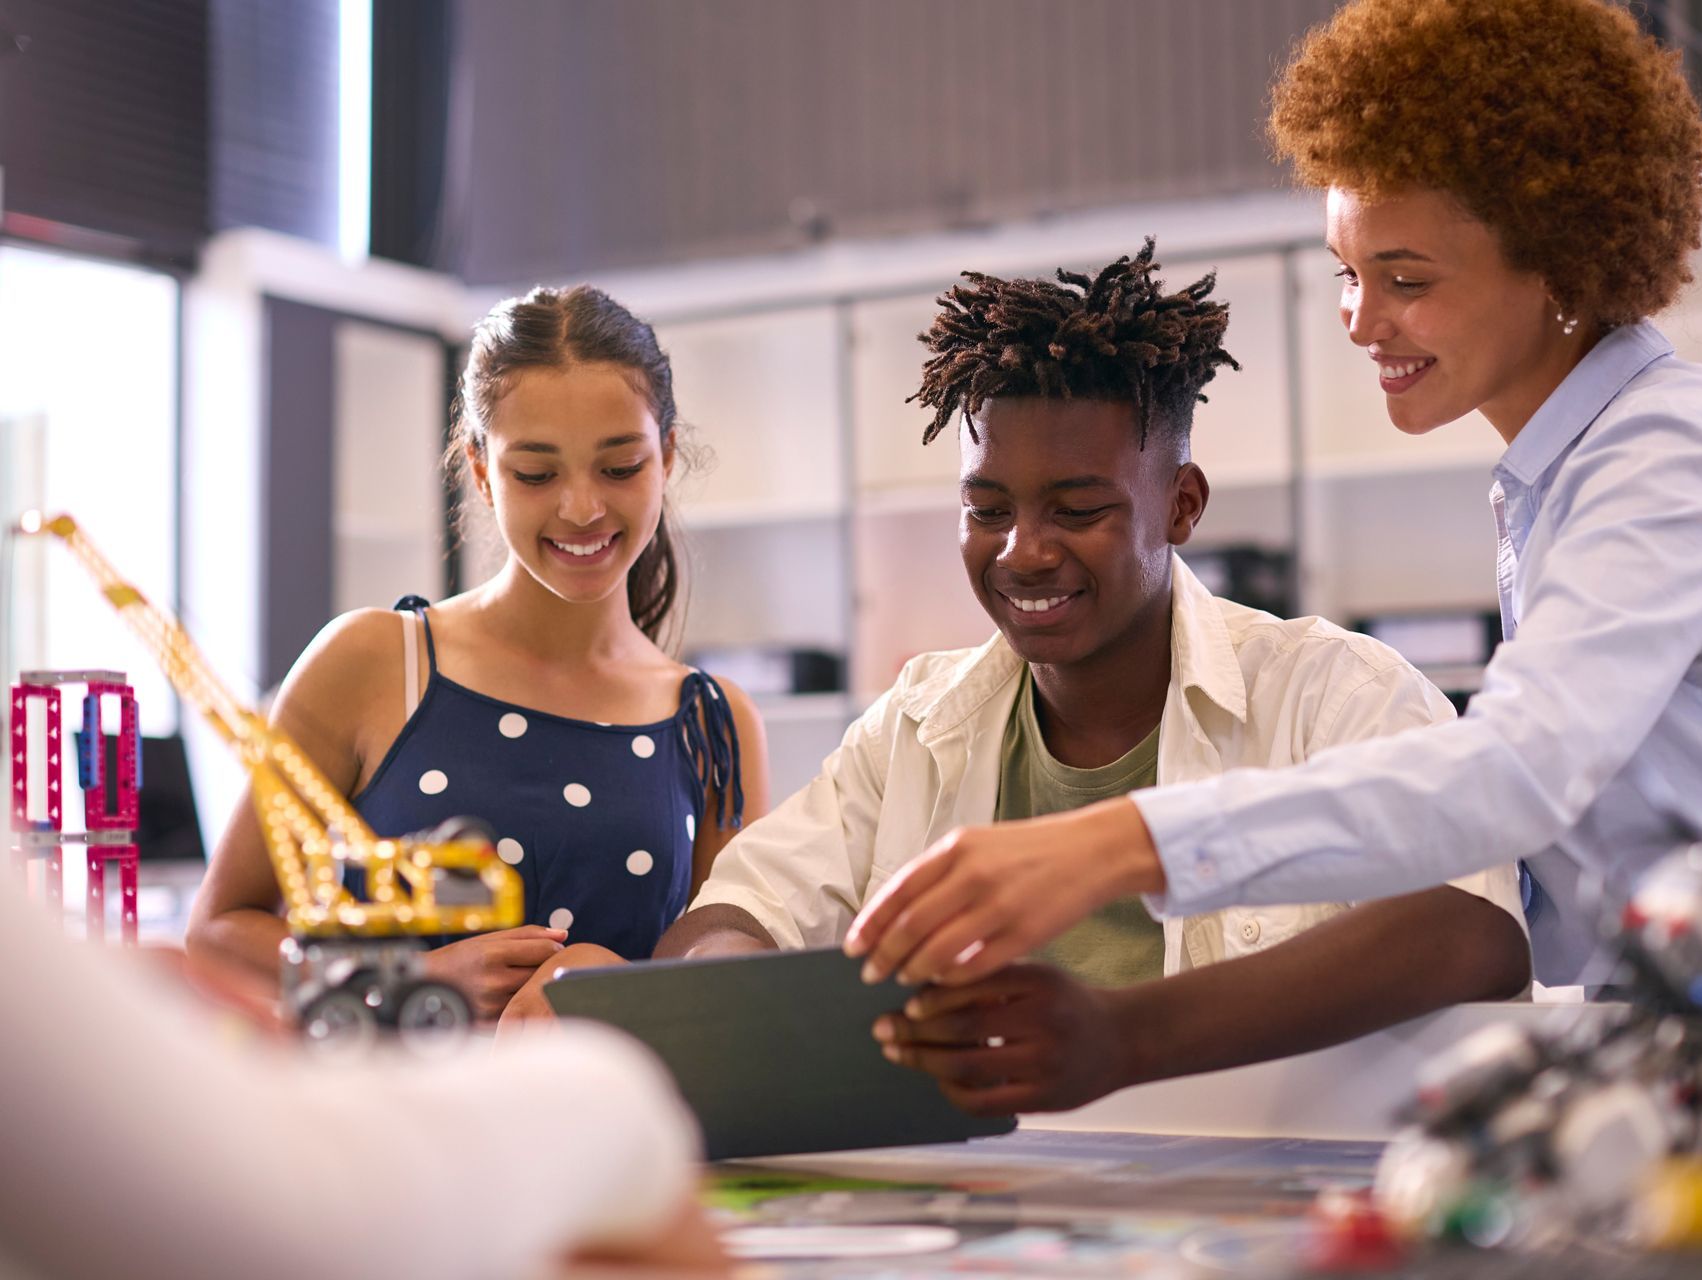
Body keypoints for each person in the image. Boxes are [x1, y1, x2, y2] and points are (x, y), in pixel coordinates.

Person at [844, 0, 1702, 1000]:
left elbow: (1515, 771)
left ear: (1559, 264)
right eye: (1346, 273)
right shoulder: (1565, 469)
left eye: (1406, 279)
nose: (1361, 321)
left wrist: (1116, 843)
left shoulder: (1668, 451)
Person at [655, 242, 1530, 1115]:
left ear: (1182, 504)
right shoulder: (914, 728)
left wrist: (1122, 1037)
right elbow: (730, 914)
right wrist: (743, 997)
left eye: (1079, 511)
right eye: (986, 509)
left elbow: (1470, 931)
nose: (1022, 551)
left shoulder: (1335, 690)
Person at [188, 285, 769, 1021]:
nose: (582, 508)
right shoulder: (374, 662)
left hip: (608, 1130)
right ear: (482, 469)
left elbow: (725, 984)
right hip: (389, 1125)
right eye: (536, 473)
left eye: (620, 467)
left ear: (668, 456)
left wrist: (600, 982)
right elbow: (218, 930)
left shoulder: (714, 725)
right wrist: (413, 979)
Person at [0, 878, 724, 1278]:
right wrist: (607, 1073)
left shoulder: (712, 718)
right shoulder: (368, 658)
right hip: (465, 1147)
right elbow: (277, 1220)